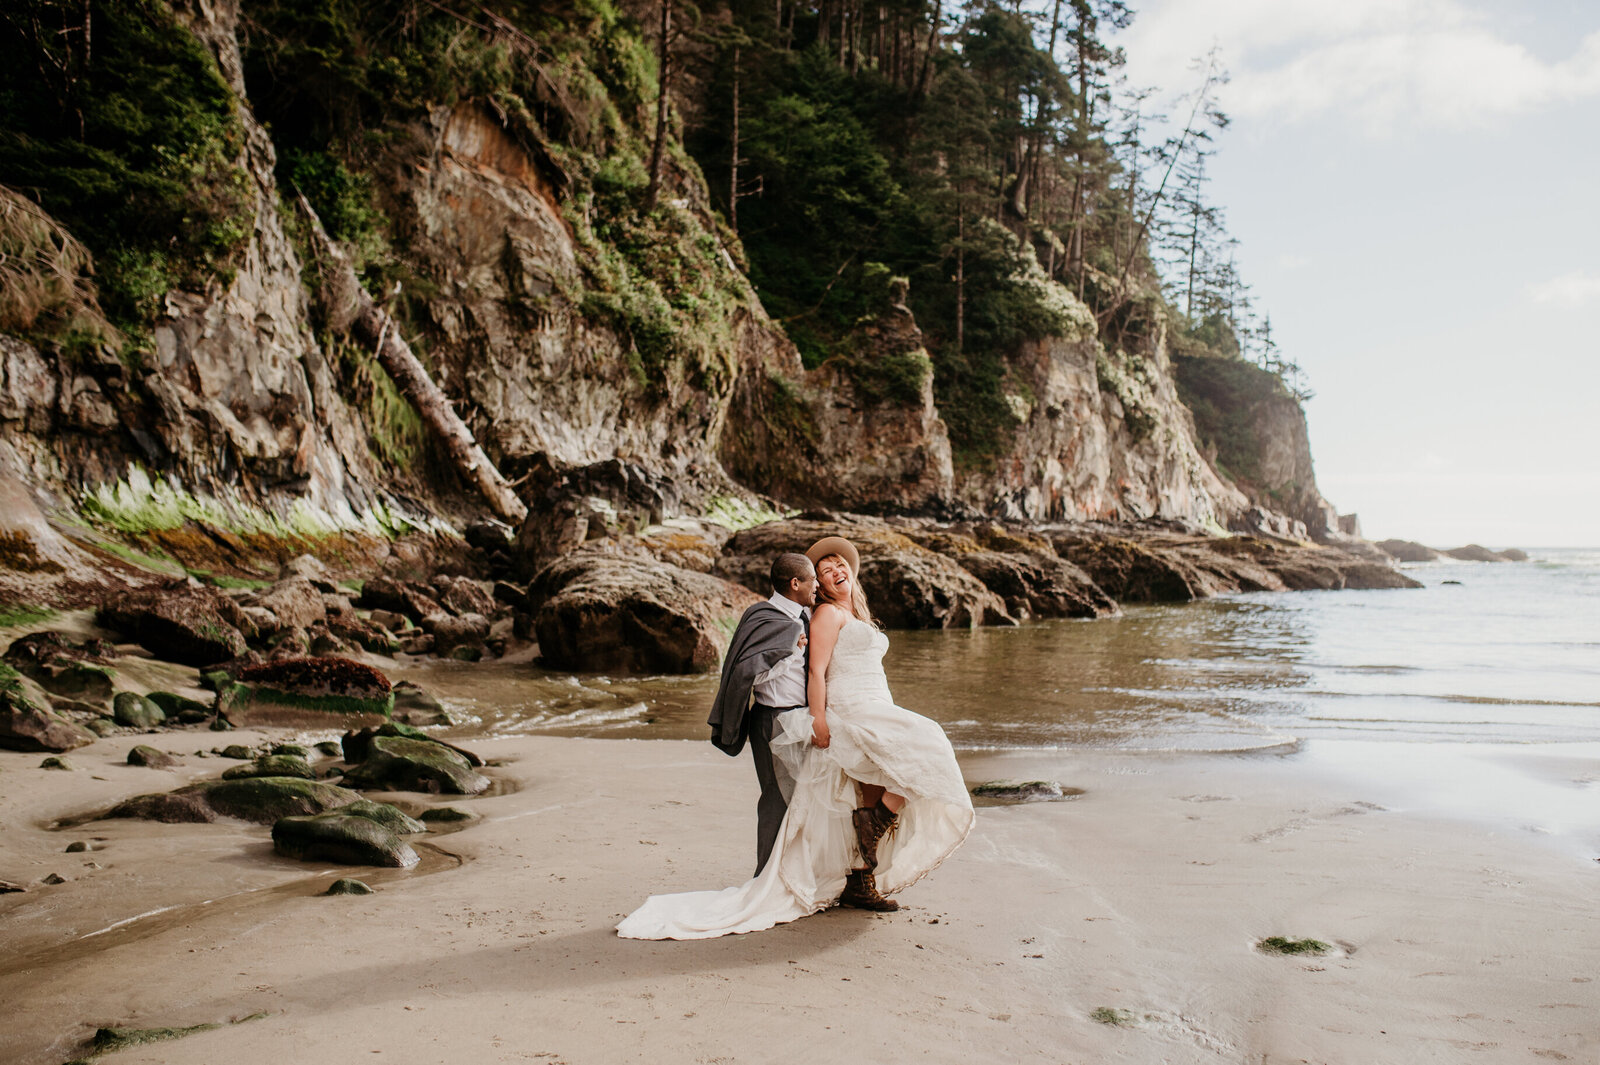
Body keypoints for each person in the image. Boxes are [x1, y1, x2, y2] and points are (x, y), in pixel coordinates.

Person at [617, 536, 974, 940]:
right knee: (925, 746)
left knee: (869, 793)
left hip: (876, 703)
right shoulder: (820, 616)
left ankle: (861, 879)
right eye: (825, 572)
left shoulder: (850, 614)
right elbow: (813, 672)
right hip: (841, 710)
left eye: (840, 564)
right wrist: (819, 717)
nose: (836, 571)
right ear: (809, 585)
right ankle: (835, 845)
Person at [706, 552, 818, 876]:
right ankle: (765, 878)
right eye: (812, 579)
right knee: (776, 799)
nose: (817, 584)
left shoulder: (803, 616)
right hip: (773, 721)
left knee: (802, 799)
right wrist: (789, 652)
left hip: (801, 719)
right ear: (795, 583)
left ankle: (795, 874)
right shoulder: (762, 617)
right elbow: (746, 674)